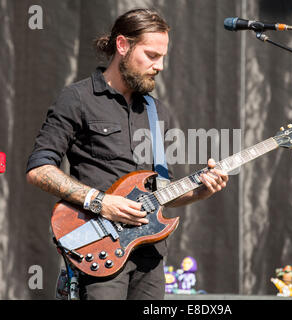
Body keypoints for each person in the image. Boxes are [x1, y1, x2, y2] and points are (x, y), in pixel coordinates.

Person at [25, 8, 228, 300]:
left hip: (151, 258)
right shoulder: (77, 99)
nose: (159, 66)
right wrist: (100, 202)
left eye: (163, 57)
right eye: (151, 55)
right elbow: (39, 169)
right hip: (100, 250)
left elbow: (162, 191)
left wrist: (200, 191)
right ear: (122, 45)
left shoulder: (158, 112)